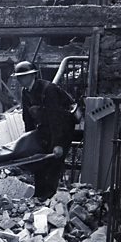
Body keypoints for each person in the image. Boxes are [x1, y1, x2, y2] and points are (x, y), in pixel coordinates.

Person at [12, 61, 75, 200]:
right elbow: (27, 117)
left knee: (54, 162)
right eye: (19, 77)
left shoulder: (48, 89)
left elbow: (56, 117)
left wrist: (58, 144)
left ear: (33, 75)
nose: (20, 80)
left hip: (62, 129)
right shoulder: (25, 92)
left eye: (23, 76)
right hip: (45, 128)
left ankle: (48, 196)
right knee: (39, 159)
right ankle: (39, 195)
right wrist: (29, 140)